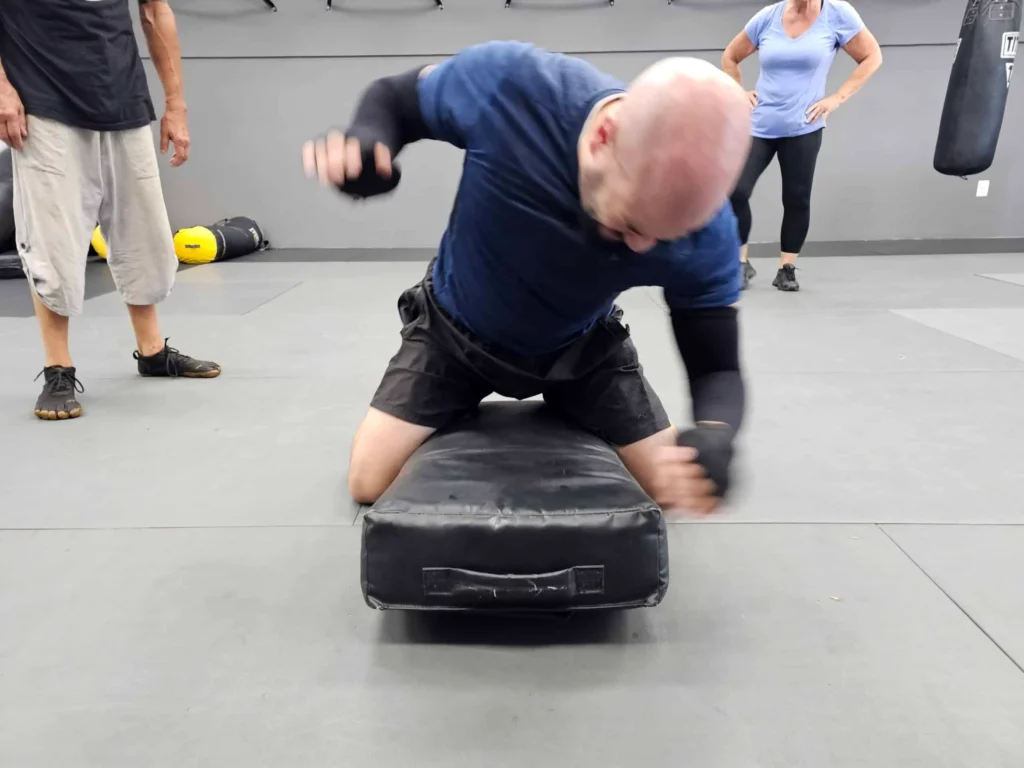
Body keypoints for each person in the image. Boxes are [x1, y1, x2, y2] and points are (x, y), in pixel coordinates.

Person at [303, 42, 753, 514]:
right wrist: (368, 145)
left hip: (583, 349)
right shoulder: (515, 88)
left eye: (664, 237)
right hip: (453, 333)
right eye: (632, 226)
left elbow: (717, 367)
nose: (642, 248)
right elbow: (395, 99)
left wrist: (716, 433)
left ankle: (569, 400)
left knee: (672, 488)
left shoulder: (706, 232)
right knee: (367, 482)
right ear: (603, 135)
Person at [0, 0, 220, 422]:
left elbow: (156, 10)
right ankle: (58, 369)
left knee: (145, 236)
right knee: (53, 241)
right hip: (43, 101)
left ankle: (153, 352)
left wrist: (176, 104)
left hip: (122, 98)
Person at [722, 0, 882, 291]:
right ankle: (741, 262)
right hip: (760, 124)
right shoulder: (767, 17)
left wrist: (836, 98)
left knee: (796, 198)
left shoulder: (837, 14)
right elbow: (730, 56)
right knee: (735, 191)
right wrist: (738, 92)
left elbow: (872, 56)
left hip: (804, 127)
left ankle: (787, 268)